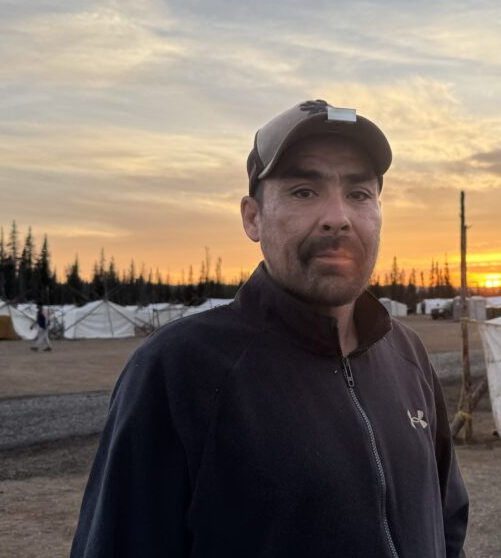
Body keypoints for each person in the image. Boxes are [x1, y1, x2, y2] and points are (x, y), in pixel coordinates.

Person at [71, 100, 469, 557]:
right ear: (252, 217)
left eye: (359, 194)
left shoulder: (406, 356)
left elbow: (447, 522)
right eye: (304, 191)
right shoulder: (180, 371)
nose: (337, 216)